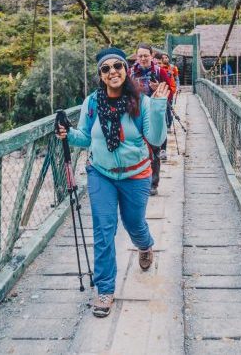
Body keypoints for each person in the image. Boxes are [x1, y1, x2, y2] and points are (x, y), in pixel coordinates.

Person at [57, 47, 170, 318]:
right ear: (101, 76)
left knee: (133, 223)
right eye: (106, 69)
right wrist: (67, 133)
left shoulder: (141, 102)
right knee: (103, 229)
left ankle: (145, 245)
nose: (112, 72)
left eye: (117, 66)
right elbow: (85, 137)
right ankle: (105, 289)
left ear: (126, 69)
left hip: (136, 174)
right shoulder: (92, 103)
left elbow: (155, 139)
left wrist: (157, 107)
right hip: (101, 173)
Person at [129, 44, 175, 196]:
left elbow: (170, 91)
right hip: (136, 114)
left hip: (153, 113)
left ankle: (153, 184)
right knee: (136, 147)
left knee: (154, 148)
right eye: (140, 56)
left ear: (152, 55)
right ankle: (137, 180)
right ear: (136, 57)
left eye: (145, 55)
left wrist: (158, 90)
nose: (143, 58)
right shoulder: (130, 73)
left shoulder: (159, 71)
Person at [154, 52, 180, 161]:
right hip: (150, 101)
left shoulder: (171, 68)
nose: (159, 64)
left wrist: (176, 89)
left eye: (161, 61)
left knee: (163, 121)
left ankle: (162, 149)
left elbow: (174, 80)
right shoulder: (151, 71)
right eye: (157, 62)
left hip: (166, 97)